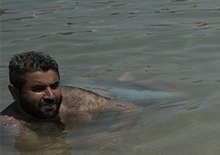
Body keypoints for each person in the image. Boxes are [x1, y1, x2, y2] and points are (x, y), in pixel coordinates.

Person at [1, 51, 139, 129]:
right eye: (38, 88)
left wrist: (116, 133)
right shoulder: (8, 125)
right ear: (14, 92)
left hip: (105, 93)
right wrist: (96, 141)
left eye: (55, 86)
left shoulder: (75, 99)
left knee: (157, 97)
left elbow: (131, 108)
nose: (50, 96)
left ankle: (128, 80)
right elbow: (38, 147)